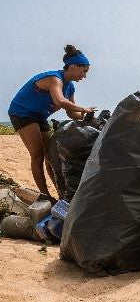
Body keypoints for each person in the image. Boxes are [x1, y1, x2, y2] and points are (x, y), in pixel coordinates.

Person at [8, 45, 96, 202]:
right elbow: (60, 101)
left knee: (50, 155)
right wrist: (83, 108)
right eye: (84, 71)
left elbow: (71, 113)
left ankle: (60, 192)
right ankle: (45, 196)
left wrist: (87, 117)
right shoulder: (54, 78)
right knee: (38, 154)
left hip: (40, 116)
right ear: (73, 66)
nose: (84, 76)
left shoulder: (70, 87)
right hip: (22, 113)